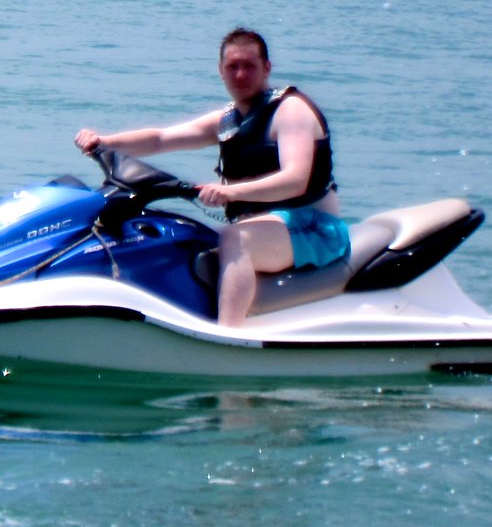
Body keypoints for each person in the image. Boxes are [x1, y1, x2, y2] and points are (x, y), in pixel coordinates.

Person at [73, 28, 348, 327]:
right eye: (233, 67)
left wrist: (231, 193)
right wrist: (104, 142)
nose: (240, 74)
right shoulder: (230, 119)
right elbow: (161, 139)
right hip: (269, 227)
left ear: (267, 69)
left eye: (249, 66)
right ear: (220, 71)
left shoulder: (290, 111)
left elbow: (295, 179)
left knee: (234, 239)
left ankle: (228, 333)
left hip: (313, 226)